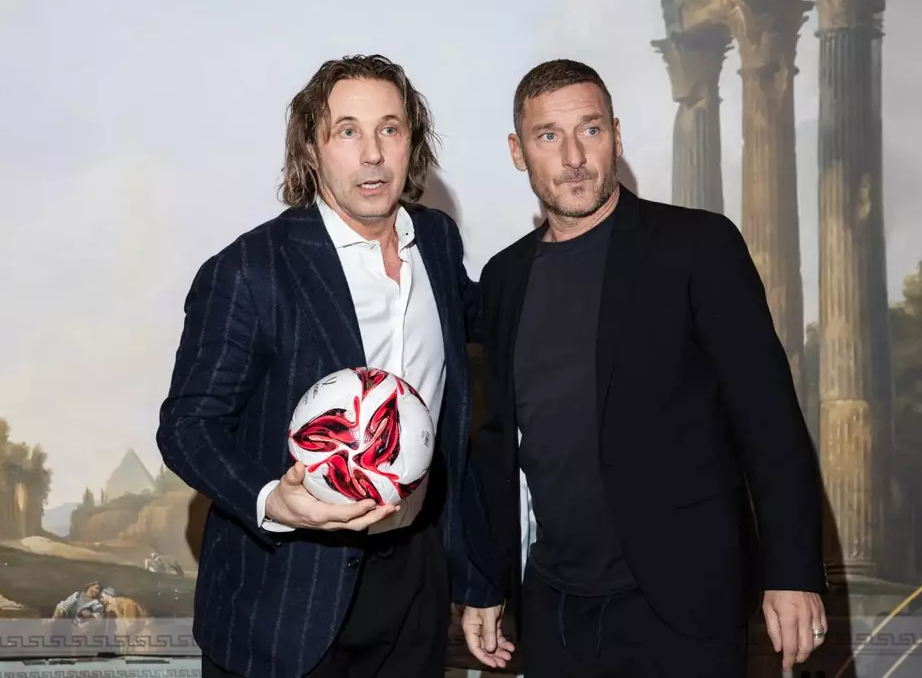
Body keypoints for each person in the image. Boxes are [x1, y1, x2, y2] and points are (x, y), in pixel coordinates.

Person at [459, 58, 828, 677]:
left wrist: (792, 571)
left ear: (617, 136)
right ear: (519, 152)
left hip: (684, 605)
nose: (574, 156)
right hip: (553, 608)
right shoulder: (504, 278)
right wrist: (486, 581)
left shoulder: (698, 246)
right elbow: (498, 442)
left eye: (591, 129)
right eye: (548, 135)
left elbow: (768, 419)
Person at [156, 54, 497, 678]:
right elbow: (186, 427)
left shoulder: (438, 243)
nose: (373, 154)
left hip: (415, 583)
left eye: (390, 128)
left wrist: (475, 577)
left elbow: (467, 393)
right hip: (283, 599)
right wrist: (273, 501)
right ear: (311, 150)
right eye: (347, 131)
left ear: (412, 141)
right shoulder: (249, 270)